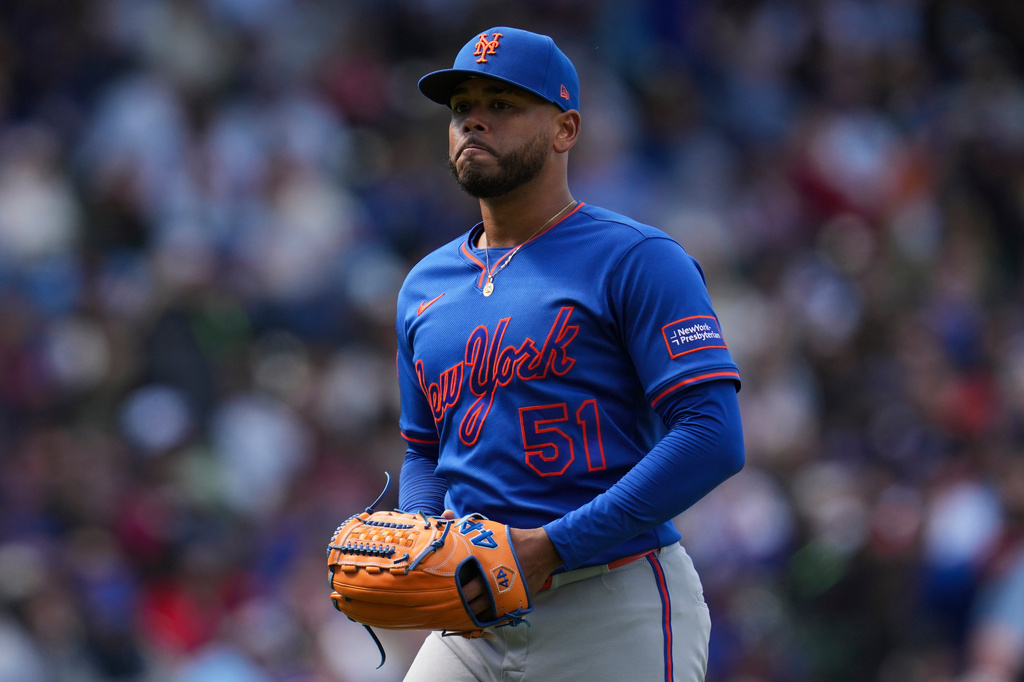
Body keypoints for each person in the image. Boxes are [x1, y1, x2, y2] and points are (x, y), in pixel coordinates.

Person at [395, 26, 745, 682]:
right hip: (475, 616)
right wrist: (421, 534)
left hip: (611, 602)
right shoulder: (424, 286)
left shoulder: (637, 259)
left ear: (565, 129)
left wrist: (552, 548)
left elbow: (713, 435)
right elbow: (424, 450)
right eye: (461, 106)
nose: (474, 119)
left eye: (502, 104)